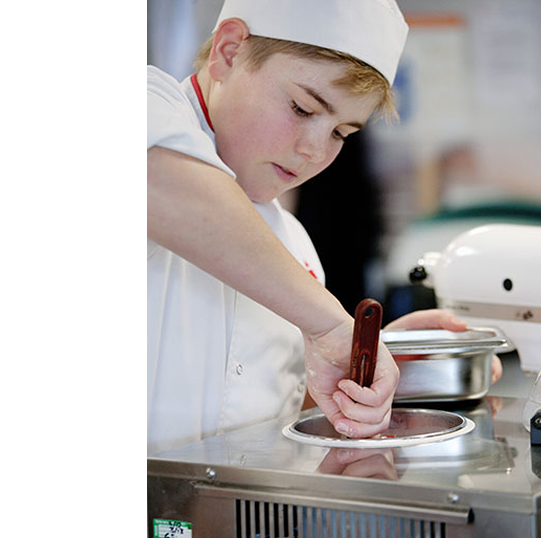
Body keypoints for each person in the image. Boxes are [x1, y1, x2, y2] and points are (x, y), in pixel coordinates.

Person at [147, 0, 500, 456]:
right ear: (229, 51)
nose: (315, 150)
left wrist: (364, 364)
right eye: (301, 108)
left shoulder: (294, 248)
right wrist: (332, 326)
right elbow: (164, 184)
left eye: (340, 133)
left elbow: (271, 410)